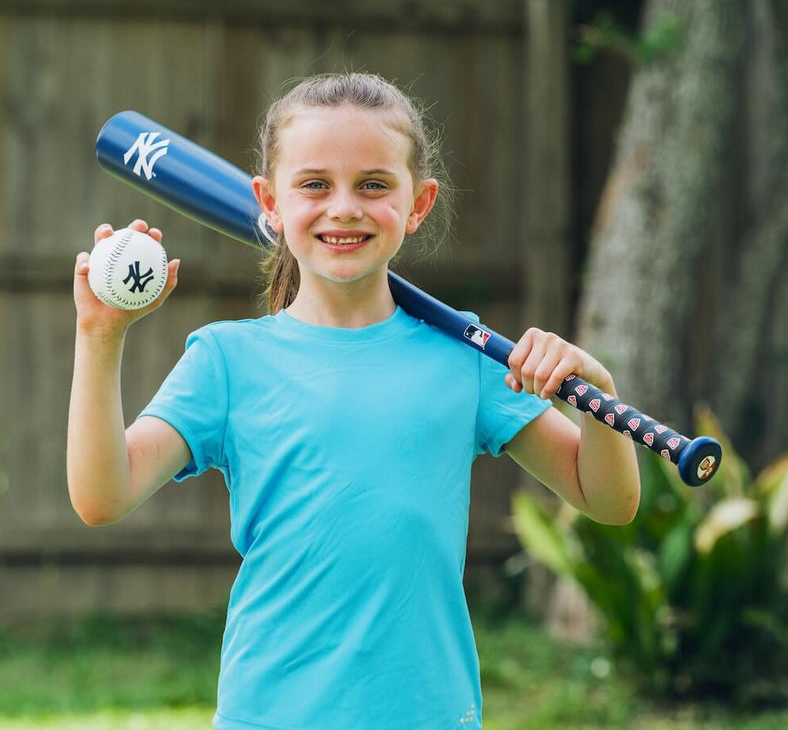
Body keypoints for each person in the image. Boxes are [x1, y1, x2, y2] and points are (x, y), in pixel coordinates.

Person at [67, 72, 640, 730]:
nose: (344, 207)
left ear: (418, 203)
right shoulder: (227, 361)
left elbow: (608, 501)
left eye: (373, 184)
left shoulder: (464, 359)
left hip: (426, 714)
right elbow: (101, 497)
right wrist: (98, 337)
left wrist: (597, 399)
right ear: (269, 202)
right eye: (314, 184)